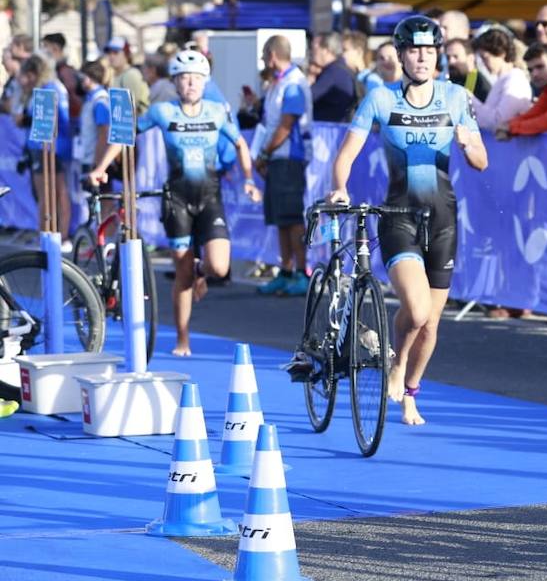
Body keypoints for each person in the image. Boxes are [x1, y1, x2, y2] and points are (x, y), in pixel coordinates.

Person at [326, 15, 488, 426]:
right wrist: (340, 187)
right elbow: (346, 153)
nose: (422, 57)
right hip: (398, 216)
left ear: (438, 55)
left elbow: (482, 162)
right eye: (414, 50)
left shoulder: (454, 98)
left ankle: (411, 393)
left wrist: (471, 145)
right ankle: (394, 365)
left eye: (429, 50)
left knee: (431, 324)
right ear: (400, 55)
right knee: (415, 311)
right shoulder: (380, 99)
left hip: (444, 219)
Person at [90, 50, 260, 356]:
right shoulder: (162, 111)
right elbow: (126, 135)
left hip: (210, 198)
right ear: (175, 83)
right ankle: (183, 338)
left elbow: (240, 143)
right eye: (184, 78)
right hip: (177, 200)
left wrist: (248, 178)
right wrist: (102, 168)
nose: (191, 84)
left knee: (219, 267)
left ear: (206, 82)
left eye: (196, 78)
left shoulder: (217, 111)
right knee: (181, 273)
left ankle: (200, 268)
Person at [253, 35, 313, 297]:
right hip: (278, 157)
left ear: (272, 55)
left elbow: (286, 125)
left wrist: (265, 153)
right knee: (280, 219)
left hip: (289, 157)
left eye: (265, 55)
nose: (264, 61)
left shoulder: (294, 83)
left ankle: (301, 271)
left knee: (292, 218)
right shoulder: (277, 83)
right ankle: (286, 271)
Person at [20, 55, 74, 243]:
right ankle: (55, 234)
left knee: (50, 193)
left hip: (48, 146)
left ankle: (52, 234)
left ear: (34, 73)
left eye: (25, 75)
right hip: (48, 145)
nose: (22, 80)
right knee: (53, 192)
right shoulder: (49, 88)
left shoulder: (48, 89)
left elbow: (57, 120)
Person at [470, 27, 533, 133]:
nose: (484, 64)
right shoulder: (503, 79)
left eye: (486, 58)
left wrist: (471, 100)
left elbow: (500, 120)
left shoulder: (515, 80)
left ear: (502, 53)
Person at [75, 60, 113, 180]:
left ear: (90, 78)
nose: (80, 80)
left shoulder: (100, 101)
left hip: (95, 160)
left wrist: (98, 164)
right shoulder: (91, 99)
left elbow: (104, 134)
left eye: (82, 77)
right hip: (89, 157)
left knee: (101, 196)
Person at [310, 32, 357, 123]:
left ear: (326, 50)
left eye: (314, 48)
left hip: (331, 132)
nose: (312, 52)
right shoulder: (341, 69)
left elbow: (307, 97)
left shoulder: (333, 72)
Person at [41, 33, 82, 121]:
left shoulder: (65, 72)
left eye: (45, 46)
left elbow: (70, 100)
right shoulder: (57, 70)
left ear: (55, 48)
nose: (42, 51)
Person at [105, 37, 150, 115]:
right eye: (109, 53)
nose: (111, 56)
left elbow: (132, 109)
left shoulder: (131, 74)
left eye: (116, 52)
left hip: (134, 125)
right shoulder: (115, 75)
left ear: (126, 54)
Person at [446, 37, 492, 103]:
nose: (451, 61)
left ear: (471, 58)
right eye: (448, 57)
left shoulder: (479, 84)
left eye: (456, 57)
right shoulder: (449, 81)